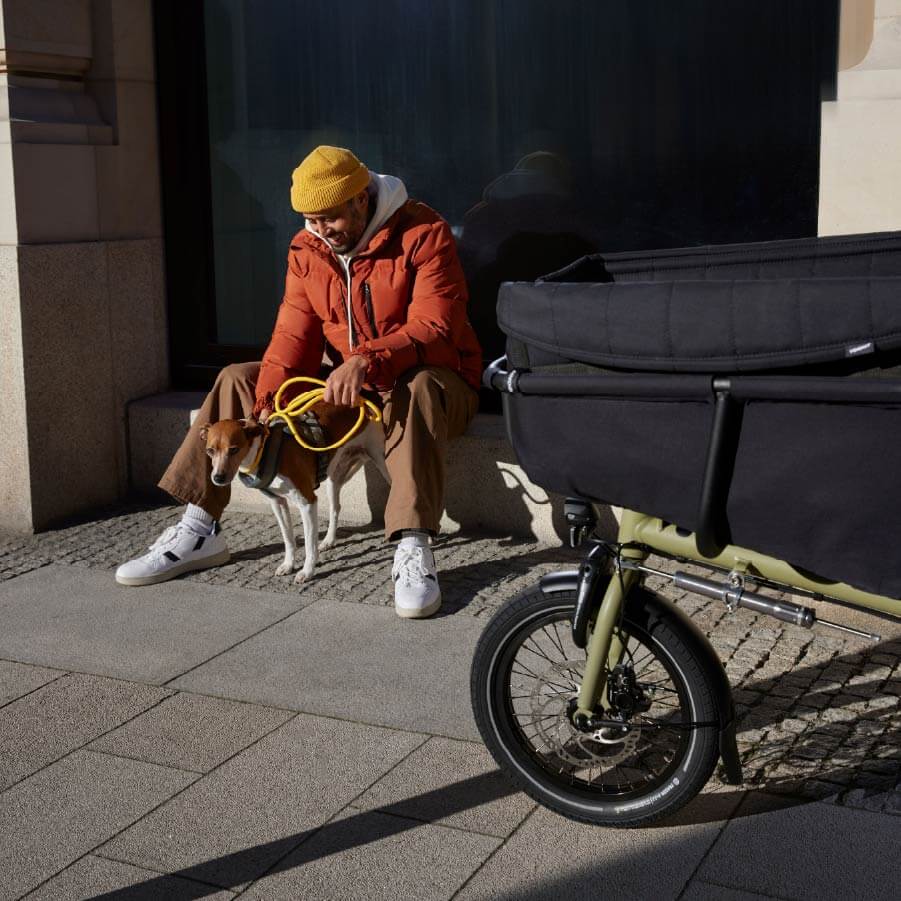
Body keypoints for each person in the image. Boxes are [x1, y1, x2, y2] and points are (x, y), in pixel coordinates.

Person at [116, 146, 482, 618]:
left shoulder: (422, 232)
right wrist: (267, 402)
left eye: (329, 218)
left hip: (436, 378)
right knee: (237, 381)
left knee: (418, 388)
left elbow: (437, 326)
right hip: (346, 379)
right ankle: (200, 525)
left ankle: (412, 544)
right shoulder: (308, 249)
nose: (321, 230)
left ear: (359, 201)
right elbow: (293, 335)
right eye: (311, 219)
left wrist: (367, 360)